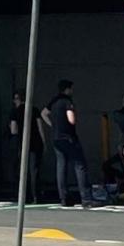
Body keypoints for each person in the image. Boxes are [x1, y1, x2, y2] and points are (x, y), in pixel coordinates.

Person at [42, 79, 93, 208]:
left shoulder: (54, 101)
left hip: (56, 138)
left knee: (61, 166)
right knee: (79, 165)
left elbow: (44, 113)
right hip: (68, 138)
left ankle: (64, 198)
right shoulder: (67, 101)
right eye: (71, 88)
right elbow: (71, 120)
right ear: (67, 89)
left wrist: (53, 125)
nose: (72, 91)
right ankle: (85, 198)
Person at [9, 90, 45, 204]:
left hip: (22, 143)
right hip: (36, 142)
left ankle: (24, 196)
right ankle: (36, 196)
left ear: (17, 99)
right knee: (34, 170)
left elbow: (13, 130)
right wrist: (44, 142)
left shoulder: (15, 112)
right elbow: (40, 127)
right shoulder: (34, 109)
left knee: (22, 170)